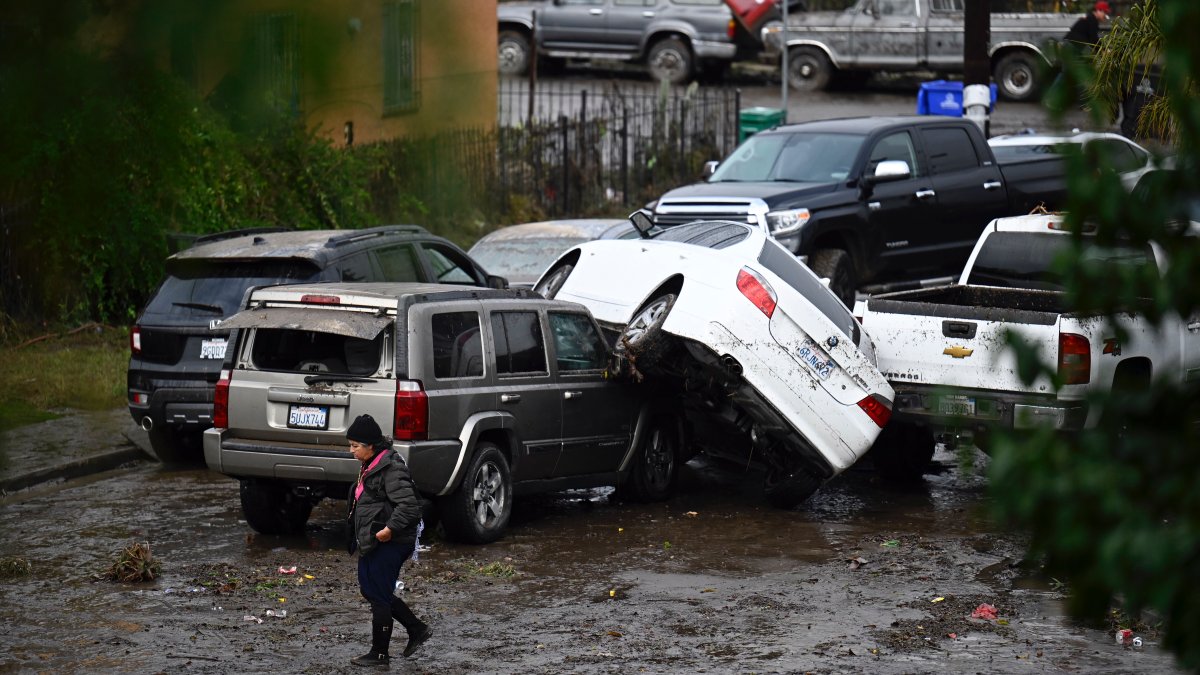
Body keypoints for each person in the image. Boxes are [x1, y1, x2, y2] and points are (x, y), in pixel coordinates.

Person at [345, 413, 431, 667]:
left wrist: (390, 529)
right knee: (369, 588)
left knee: (380, 594)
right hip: (372, 539)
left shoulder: (391, 467)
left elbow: (410, 506)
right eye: (350, 445)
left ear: (371, 445)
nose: (351, 451)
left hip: (391, 541)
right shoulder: (371, 464)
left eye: (355, 446)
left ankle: (379, 654)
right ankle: (417, 629)